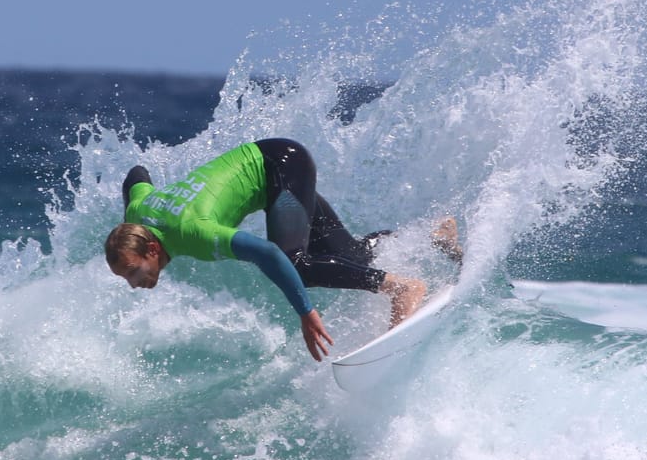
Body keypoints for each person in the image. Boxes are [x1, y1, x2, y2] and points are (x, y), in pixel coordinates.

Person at [104, 138, 449, 362]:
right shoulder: (138, 211)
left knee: (296, 264)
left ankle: (402, 287)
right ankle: (435, 234)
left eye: (134, 271)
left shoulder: (192, 233)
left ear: (151, 248)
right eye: (126, 276)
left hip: (281, 168)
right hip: (274, 166)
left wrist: (305, 312)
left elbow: (269, 254)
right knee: (353, 257)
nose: (134, 282)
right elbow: (136, 174)